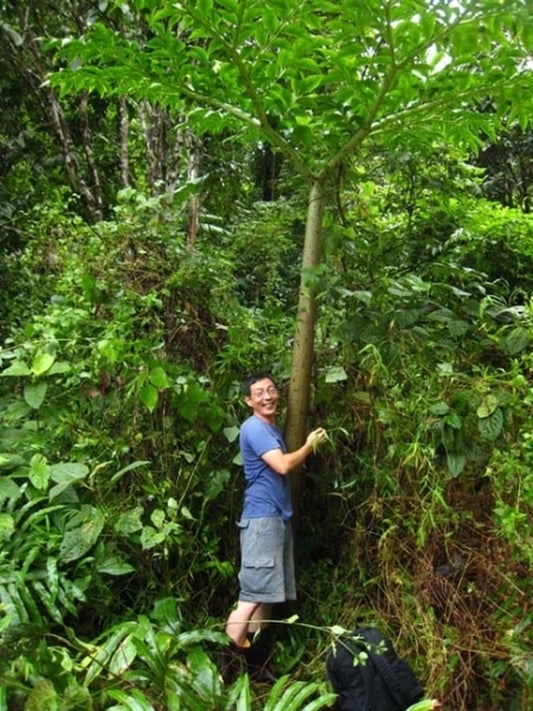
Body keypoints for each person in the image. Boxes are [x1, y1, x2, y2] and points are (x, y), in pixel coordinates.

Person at [222, 372, 327, 682]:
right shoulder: (255, 428)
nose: (267, 396)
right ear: (248, 401)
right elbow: (282, 465)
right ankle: (221, 668)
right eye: (259, 393)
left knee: (265, 596)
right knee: (252, 595)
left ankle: (254, 664)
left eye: (271, 390)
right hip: (261, 520)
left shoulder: (270, 429)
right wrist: (309, 444)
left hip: (274, 518)